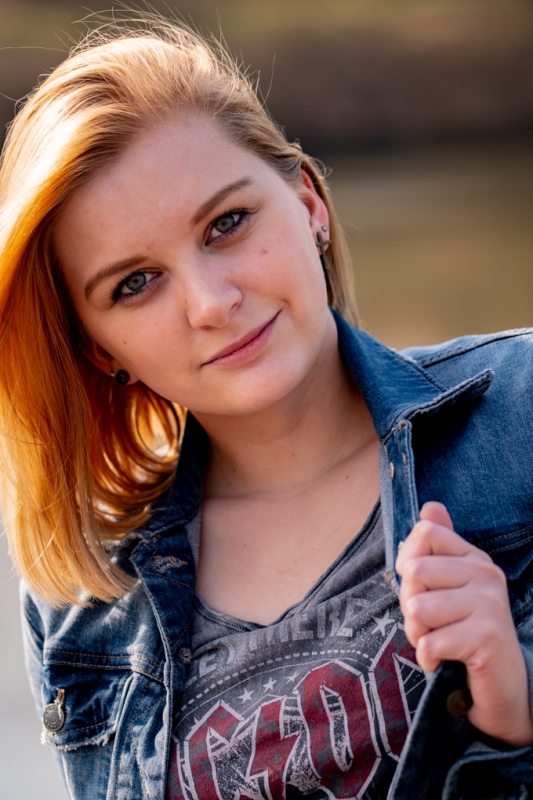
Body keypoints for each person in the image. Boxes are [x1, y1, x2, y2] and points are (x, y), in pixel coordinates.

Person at [0, 18, 532, 800]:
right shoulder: (85, 600)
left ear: (308, 202)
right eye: (134, 284)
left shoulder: (520, 411)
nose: (211, 303)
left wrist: (514, 714)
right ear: (99, 349)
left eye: (227, 224)